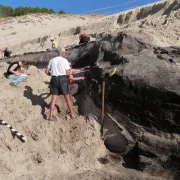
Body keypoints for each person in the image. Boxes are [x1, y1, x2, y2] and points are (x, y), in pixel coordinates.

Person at [45, 47, 87, 120]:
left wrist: (52, 74)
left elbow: (46, 71)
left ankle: (50, 116)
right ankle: (73, 114)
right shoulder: (65, 61)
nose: (65, 54)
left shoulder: (52, 60)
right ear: (62, 53)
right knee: (67, 98)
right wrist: (69, 74)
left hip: (54, 79)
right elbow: (67, 73)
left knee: (53, 99)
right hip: (62, 79)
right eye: (64, 53)